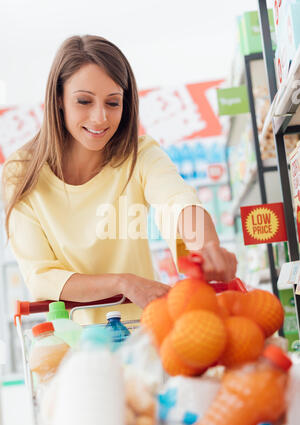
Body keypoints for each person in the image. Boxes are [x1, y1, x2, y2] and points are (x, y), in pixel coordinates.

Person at [2, 35, 237, 325]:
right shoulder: (20, 173)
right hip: (73, 349)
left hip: (143, 336)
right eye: (84, 101)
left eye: (113, 103)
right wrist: (124, 283)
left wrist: (205, 247)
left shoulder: (139, 155)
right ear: (59, 99)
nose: (100, 118)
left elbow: (176, 202)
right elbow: (41, 277)